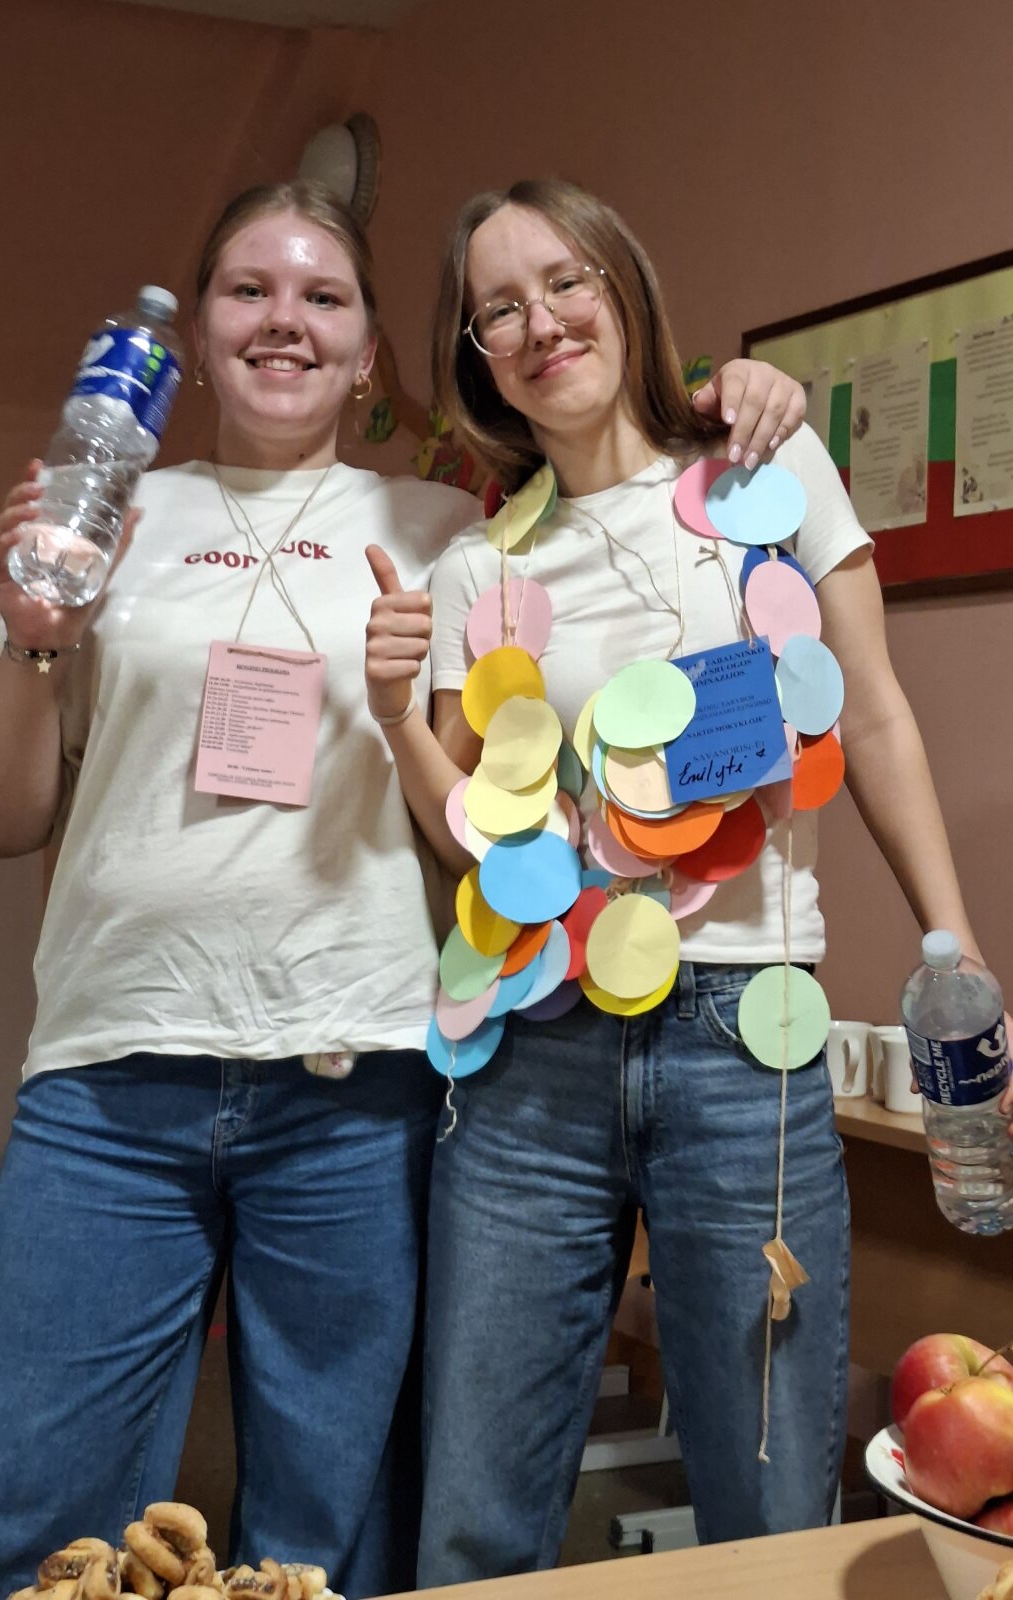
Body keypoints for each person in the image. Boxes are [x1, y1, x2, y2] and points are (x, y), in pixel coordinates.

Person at [0, 175, 802, 1600]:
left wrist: (738, 399)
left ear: (372, 353)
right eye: (248, 291)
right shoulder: (110, 519)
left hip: (360, 1087)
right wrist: (31, 636)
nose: (285, 321)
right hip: (112, 1080)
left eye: (322, 297)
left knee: (327, 1535)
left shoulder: (456, 528)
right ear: (201, 337)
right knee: (15, 1512)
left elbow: (615, 486)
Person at [362, 177, 997, 1585]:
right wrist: (397, 714)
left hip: (742, 1047)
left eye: (564, 281)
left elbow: (875, 714)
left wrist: (950, 940)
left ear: (623, 286)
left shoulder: (769, 475)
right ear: (477, 356)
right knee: (476, 1517)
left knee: (770, 1511)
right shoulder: (474, 568)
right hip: (528, 1059)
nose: (540, 323)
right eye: (498, 309)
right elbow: (471, 835)